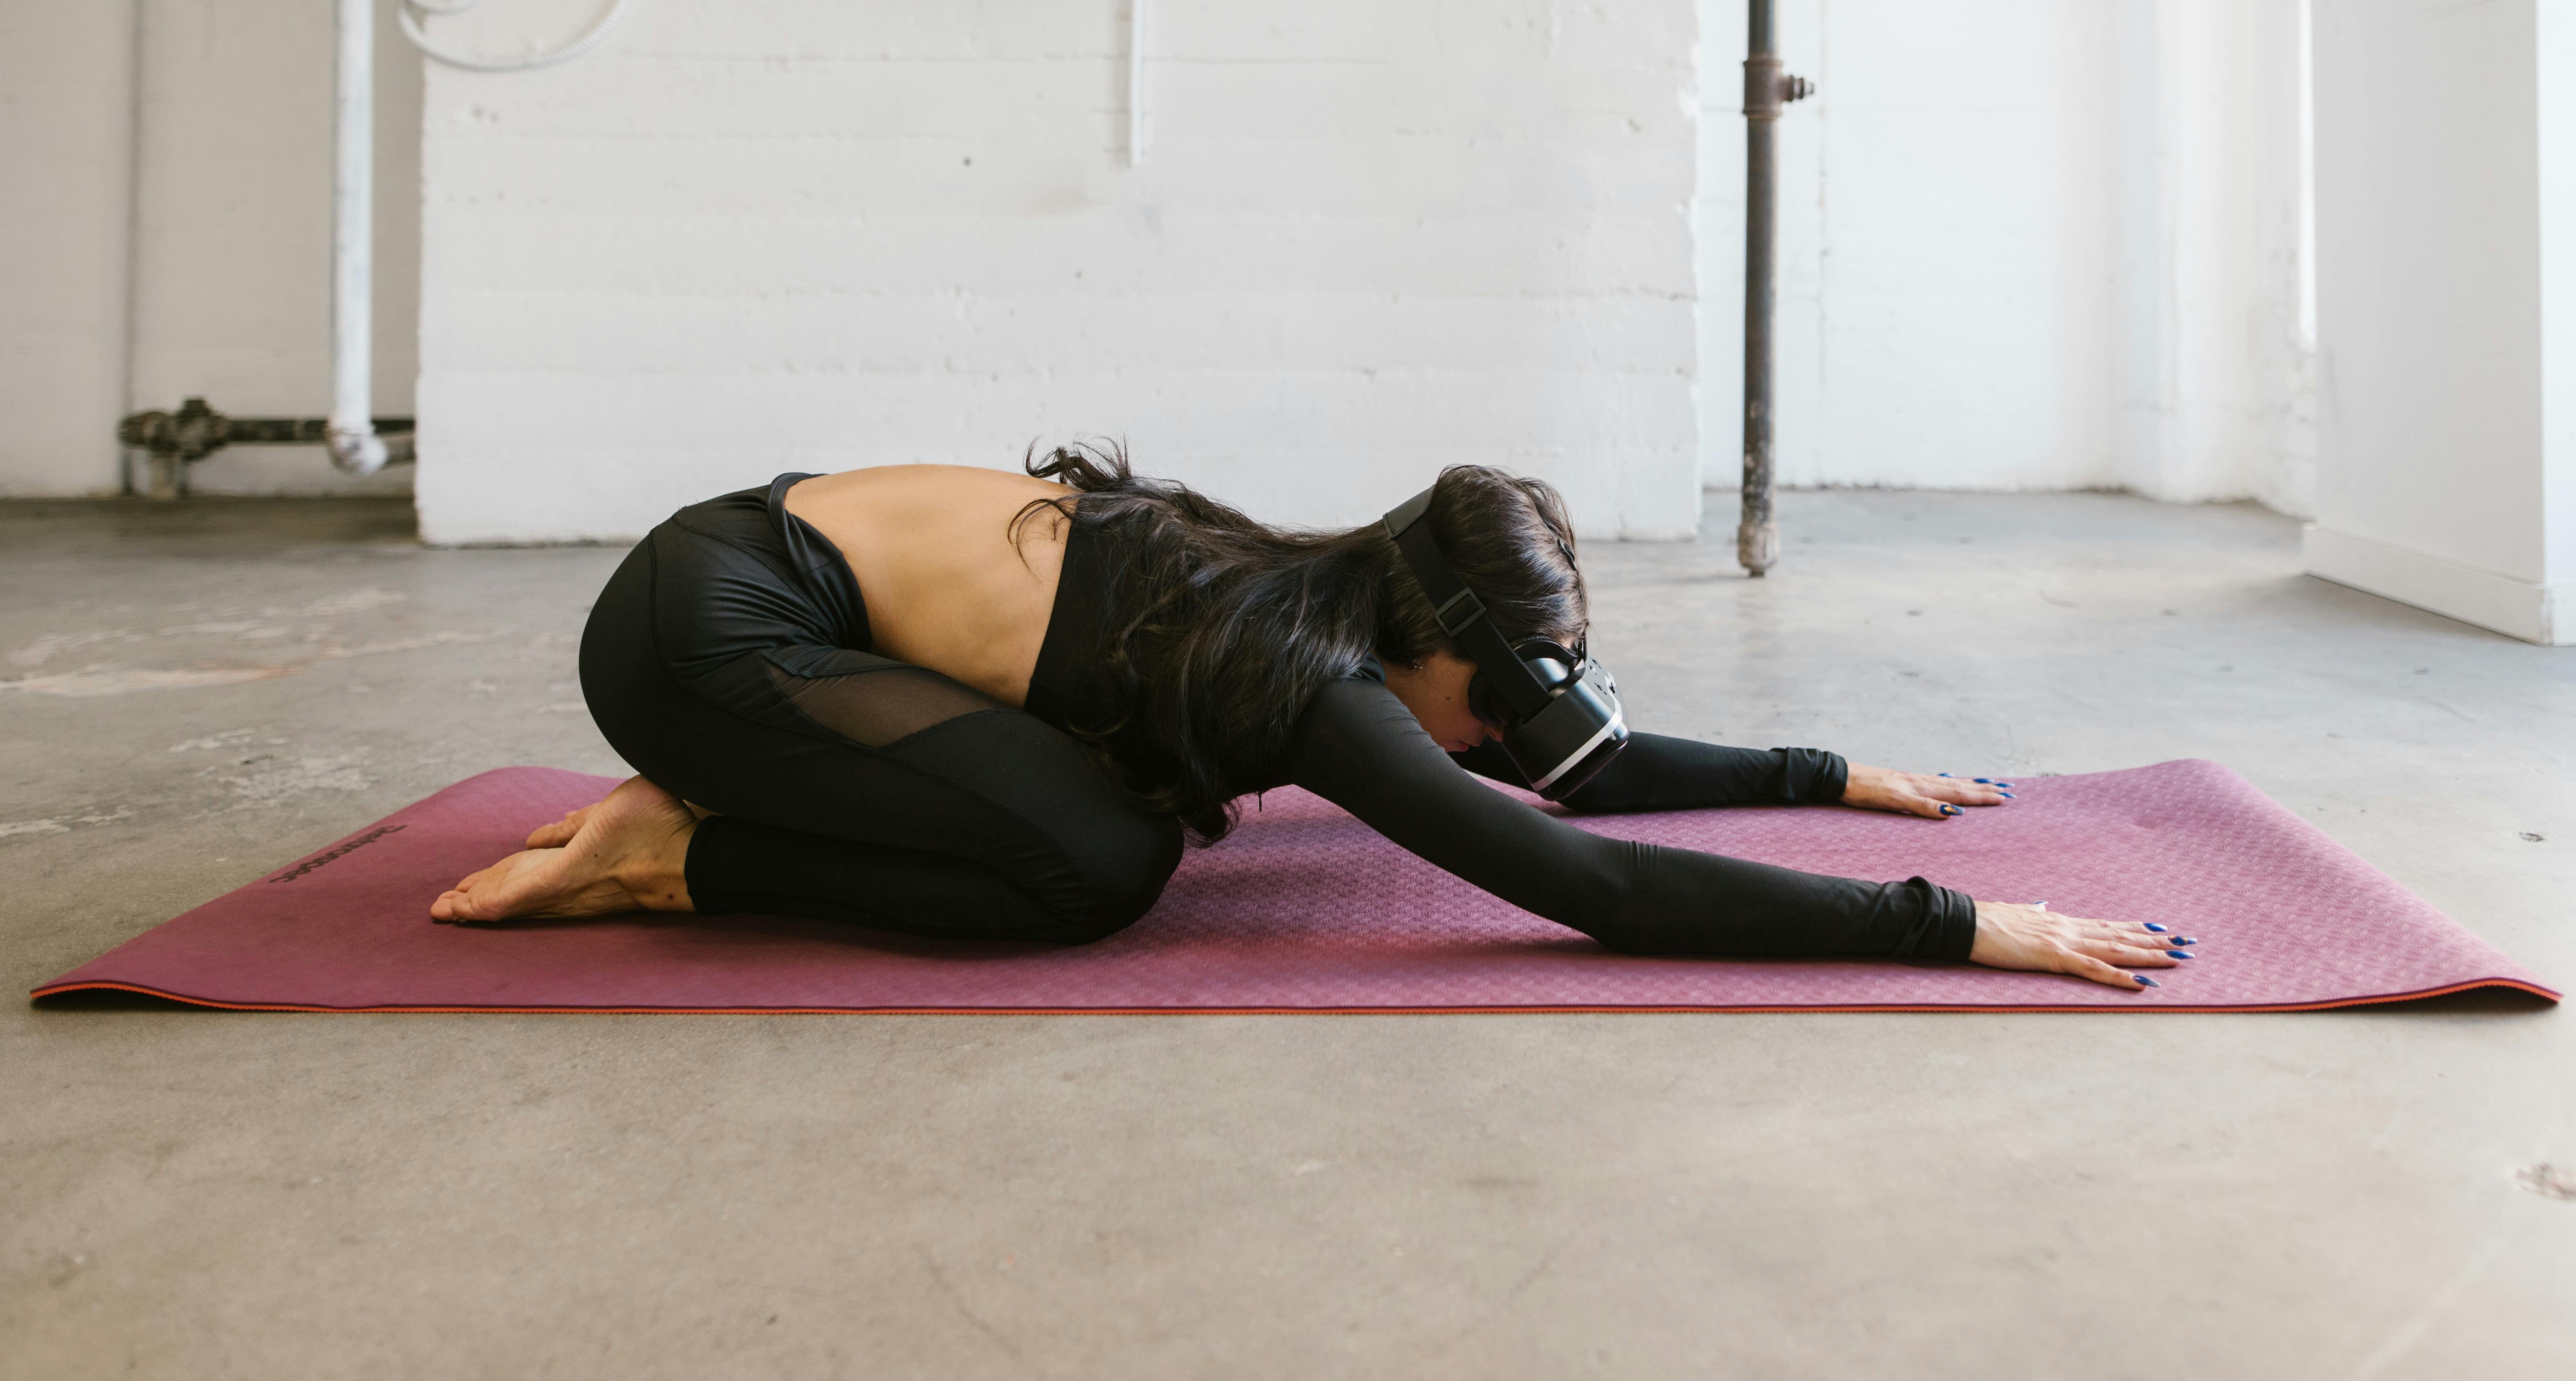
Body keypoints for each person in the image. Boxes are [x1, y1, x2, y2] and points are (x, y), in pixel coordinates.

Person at [429, 449, 2192, 990]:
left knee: (1092, 826)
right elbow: (1582, 879)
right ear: (1431, 653)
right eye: (1476, 709)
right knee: (1092, 864)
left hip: (749, 588)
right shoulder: (1314, 685)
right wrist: (1953, 926)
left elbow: (1554, 763)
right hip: (702, 634)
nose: (1467, 739)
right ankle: (684, 854)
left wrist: (1818, 774)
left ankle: (717, 800)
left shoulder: (1327, 600)